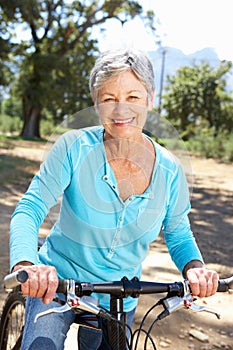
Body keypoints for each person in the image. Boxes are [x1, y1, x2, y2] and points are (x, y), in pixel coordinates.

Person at [10, 48, 218, 350]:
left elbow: (178, 231)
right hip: (57, 285)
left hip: (121, 293)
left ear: (150, 97)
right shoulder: (73, 147)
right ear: (96, 102)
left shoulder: (170, 169)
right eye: (109, 99)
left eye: (133, 97)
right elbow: (30, 208)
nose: (121, 111)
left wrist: (194, 269)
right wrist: (28, 265)